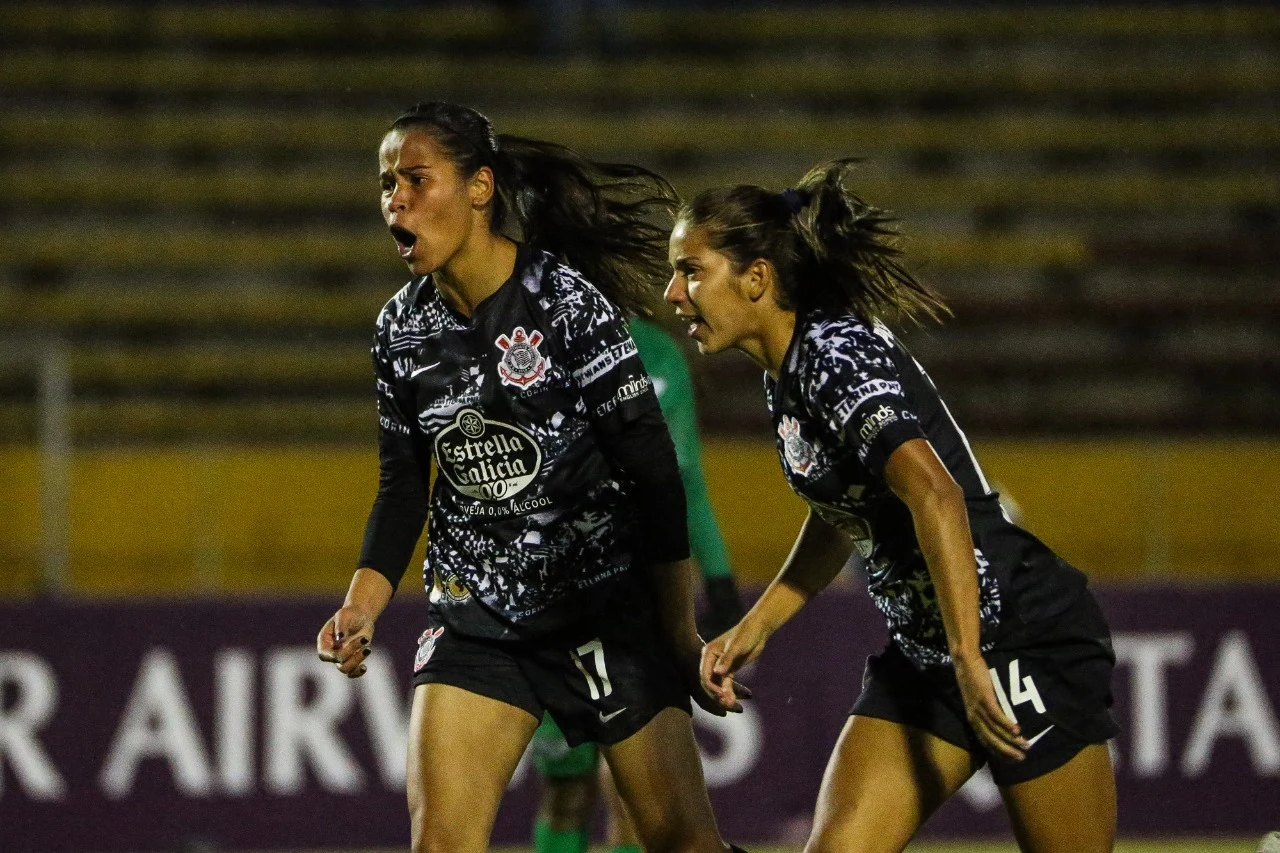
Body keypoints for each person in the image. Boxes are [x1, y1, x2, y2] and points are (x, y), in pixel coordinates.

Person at [315, 101, 740, 853]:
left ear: (480, 189)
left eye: (416, 178)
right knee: (441, 842)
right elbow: (404, 483)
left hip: (604, 611)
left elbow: (654, 474)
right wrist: (361, 603)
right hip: (478, 622)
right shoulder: (400, 330)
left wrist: (675, 626)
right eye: (387, 184)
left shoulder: (569, 304)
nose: (396, 200)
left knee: (680, 841)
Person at [666, 160, 1119, 853]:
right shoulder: (788, 373)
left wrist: (970, 656)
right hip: (928, 657)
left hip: (1018, 639)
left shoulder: (834, 356)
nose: (673, 292)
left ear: (756, 276)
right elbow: (849, 509)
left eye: (691, 270)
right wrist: (757, 624)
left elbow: (933, 492)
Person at [529, 314, 744, 853]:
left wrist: (718, 580)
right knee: (567, 786)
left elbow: (685, 479)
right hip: (559, 602)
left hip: (642, 602)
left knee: (636, 793)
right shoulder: (531, 347)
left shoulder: (659, 356)